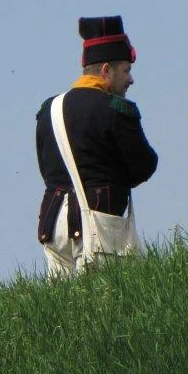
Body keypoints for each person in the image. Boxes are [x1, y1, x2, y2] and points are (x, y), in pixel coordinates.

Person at [35, 16, 158, 277]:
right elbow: (143, 166)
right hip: (98, 219)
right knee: (108, 303)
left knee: (64, 309)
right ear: (106, 70)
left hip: (54, 223)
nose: (131, 79)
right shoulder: (116, 109)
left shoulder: (49, 109)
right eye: (126, 70)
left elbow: (47, 169)